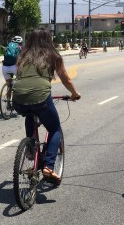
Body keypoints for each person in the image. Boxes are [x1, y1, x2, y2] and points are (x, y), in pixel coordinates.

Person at [12, 28, 81, 184]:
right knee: (55, 128)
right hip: (41, 98)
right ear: (48, 40)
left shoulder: (23, 56)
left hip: (17, 99)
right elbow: (66, 79)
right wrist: (75, 94)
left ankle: (30, 148)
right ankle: (49, 166)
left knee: (29, 113)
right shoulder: (53, 56)